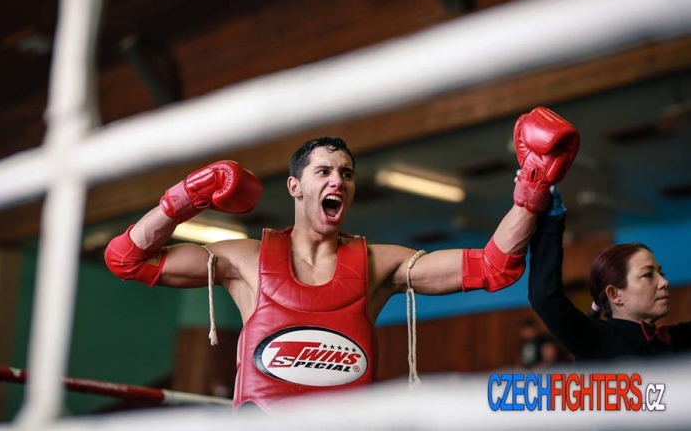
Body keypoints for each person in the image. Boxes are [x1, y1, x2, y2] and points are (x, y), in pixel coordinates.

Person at [104, 107, 579, 414]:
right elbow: (128, 260)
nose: (338, 181)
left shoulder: (377, 264)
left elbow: (494, 267)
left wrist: (531, 190)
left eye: (346, 173)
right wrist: (184, 199)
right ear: (296, 187)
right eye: (324, 171)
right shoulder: (246, 260)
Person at [528, 189, 691, 362]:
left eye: (661, 273)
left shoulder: (674, 339)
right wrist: (551, 220)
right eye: (647, 275)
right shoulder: (595, 339)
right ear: (614, 294)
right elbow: (544, 298)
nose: (665, 282)